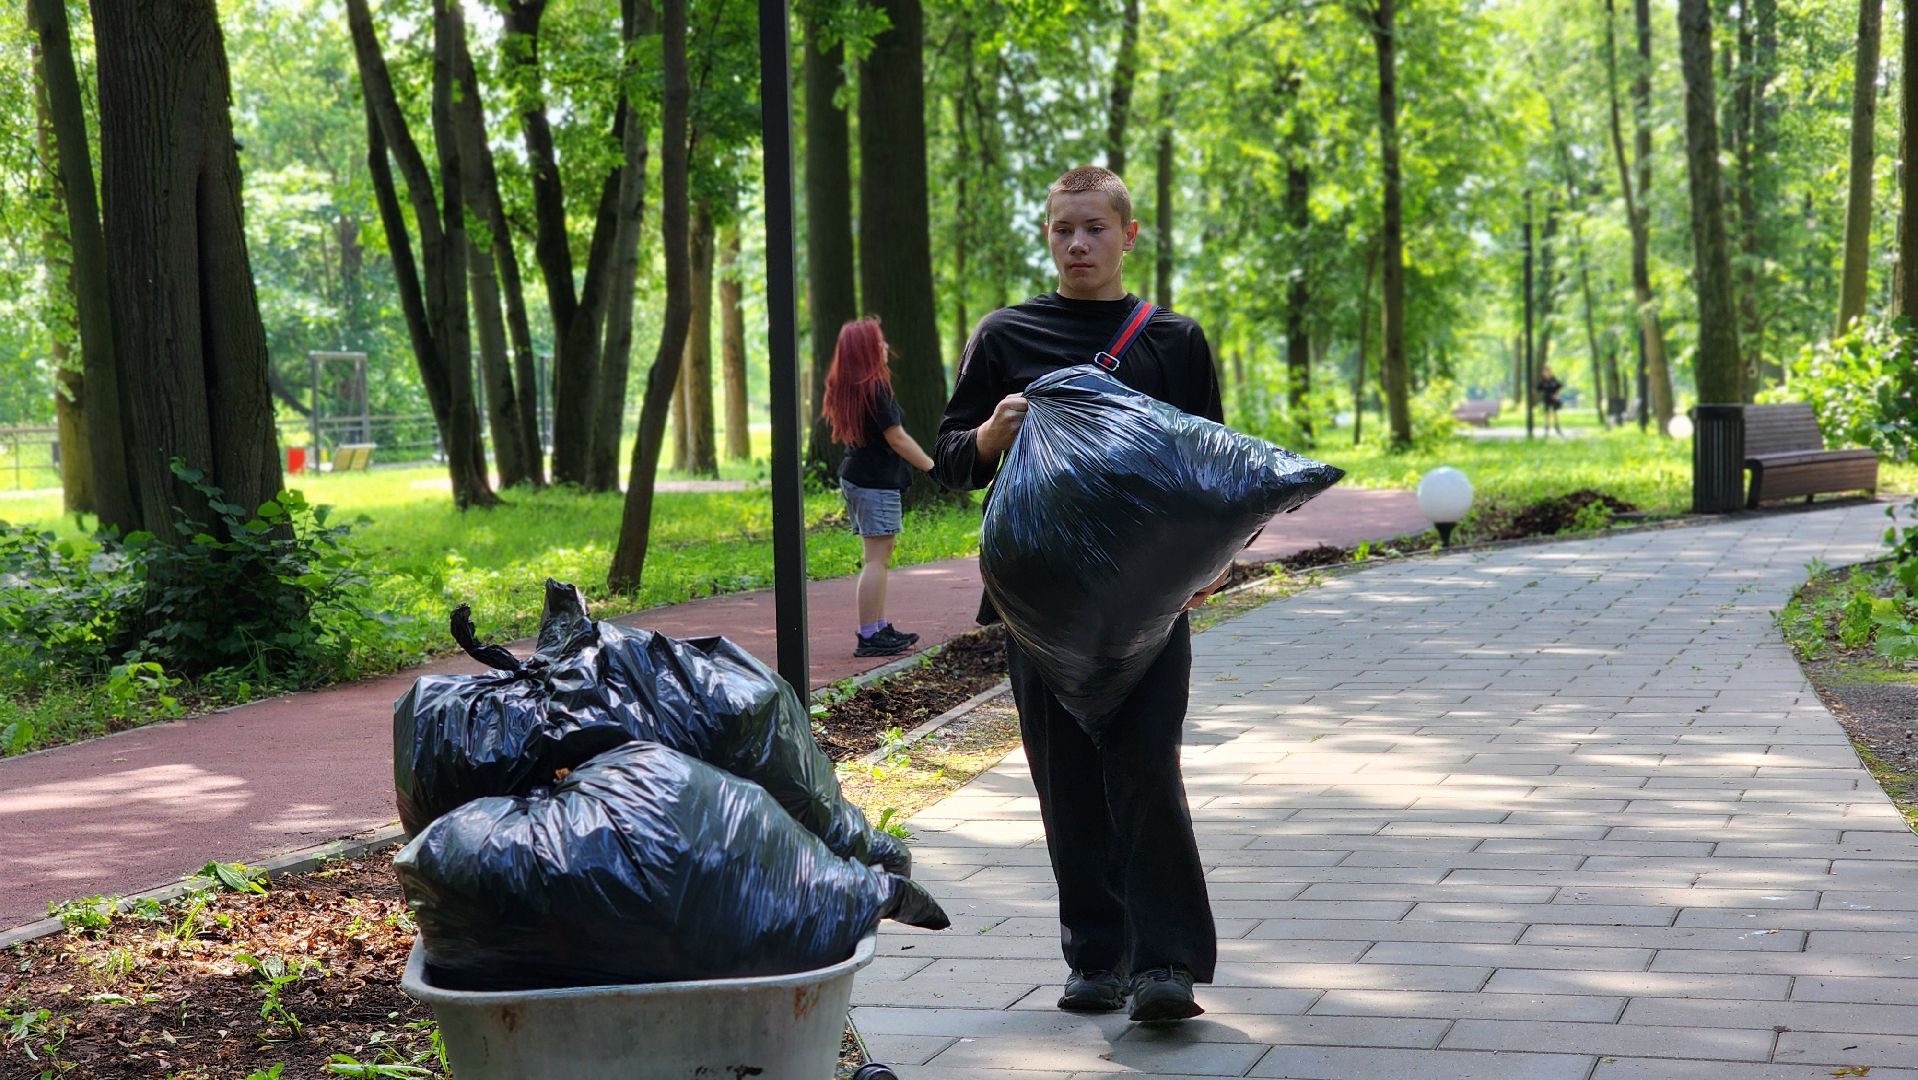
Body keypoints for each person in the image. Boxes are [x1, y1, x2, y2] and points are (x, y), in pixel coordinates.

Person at [932, 166, 1225, 1024]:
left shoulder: (1173, 340)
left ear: (1127, 234)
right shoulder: (1005, 334)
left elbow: (1211, 465)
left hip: (1146, 603)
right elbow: (948, 462)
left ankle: (1164, 965)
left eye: (1094, 228)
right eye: (1063, 229)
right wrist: (989, 436)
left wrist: (1211, 564)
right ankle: (1096, 958)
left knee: (1146, 772)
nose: (1078, 244)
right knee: (1065, 784)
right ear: (1048, 235)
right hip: (1039, 606)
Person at [823, 317, 936, 658]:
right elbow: (897, 438)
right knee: (876, 561)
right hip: (873, 482)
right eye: (878, 342)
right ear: (865, 351)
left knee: (876, 558)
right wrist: (932, 468)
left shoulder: (853, 386)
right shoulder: (875, 388)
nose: (885, 347)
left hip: (859, 477)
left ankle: (877, 625)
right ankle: (869, 634)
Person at [1537, 365, 1566, 436]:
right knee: (1546, 413)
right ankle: (1546, 428)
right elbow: (1538, 389)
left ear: (1549, 372)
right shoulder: (1543, 381)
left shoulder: (1553, 379)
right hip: (1546, 398)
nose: (1545, 373)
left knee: (1555, 413)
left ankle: (1557, 426)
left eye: (1546, 371)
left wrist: (1556, 395)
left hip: (1553, 399)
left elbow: (1559, 387)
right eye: (1544, 372)